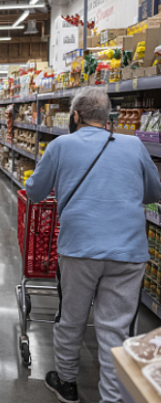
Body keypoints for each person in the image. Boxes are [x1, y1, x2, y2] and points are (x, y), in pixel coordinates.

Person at [26, 87, 161, 403]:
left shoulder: (61, 145)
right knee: (115, 328)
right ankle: (112, 398)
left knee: (72, 317)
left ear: (75, 116)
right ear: (109, 117)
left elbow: (34, 192)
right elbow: (154, 192)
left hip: (79, 248)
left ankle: (68, 382)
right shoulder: (134, 144)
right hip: (129, 250)